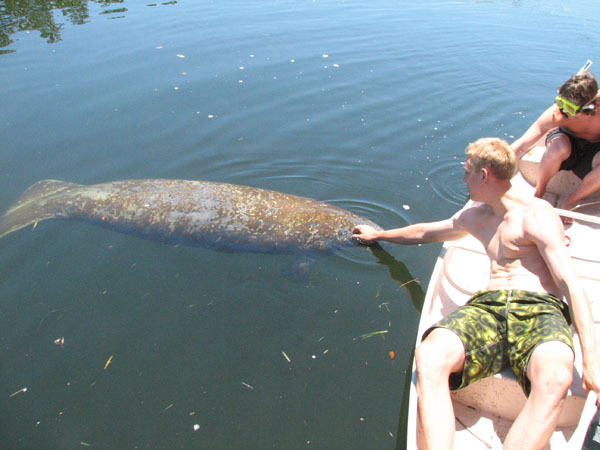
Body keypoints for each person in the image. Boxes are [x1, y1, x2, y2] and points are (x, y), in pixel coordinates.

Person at [353, 137, 600, 449]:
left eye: (467, 171)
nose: (463, 178)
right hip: (489, 308)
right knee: (429, 357)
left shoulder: (537, 216)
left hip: (538, 308)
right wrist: (378, 234)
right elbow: (426, 232)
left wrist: (591, 362)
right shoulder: (476, 217)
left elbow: (570, 284)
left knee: (555, 379)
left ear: (484, 175)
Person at [511, 65, 600, 212]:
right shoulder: (556, 115)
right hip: (566, 143)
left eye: (569, 108)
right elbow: (522, 143)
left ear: (590, 108)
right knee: (558, 148)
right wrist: (493, 163)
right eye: (560, 103)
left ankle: (570, 201)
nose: (563, 111)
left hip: (593, 153)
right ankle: (539, 192)